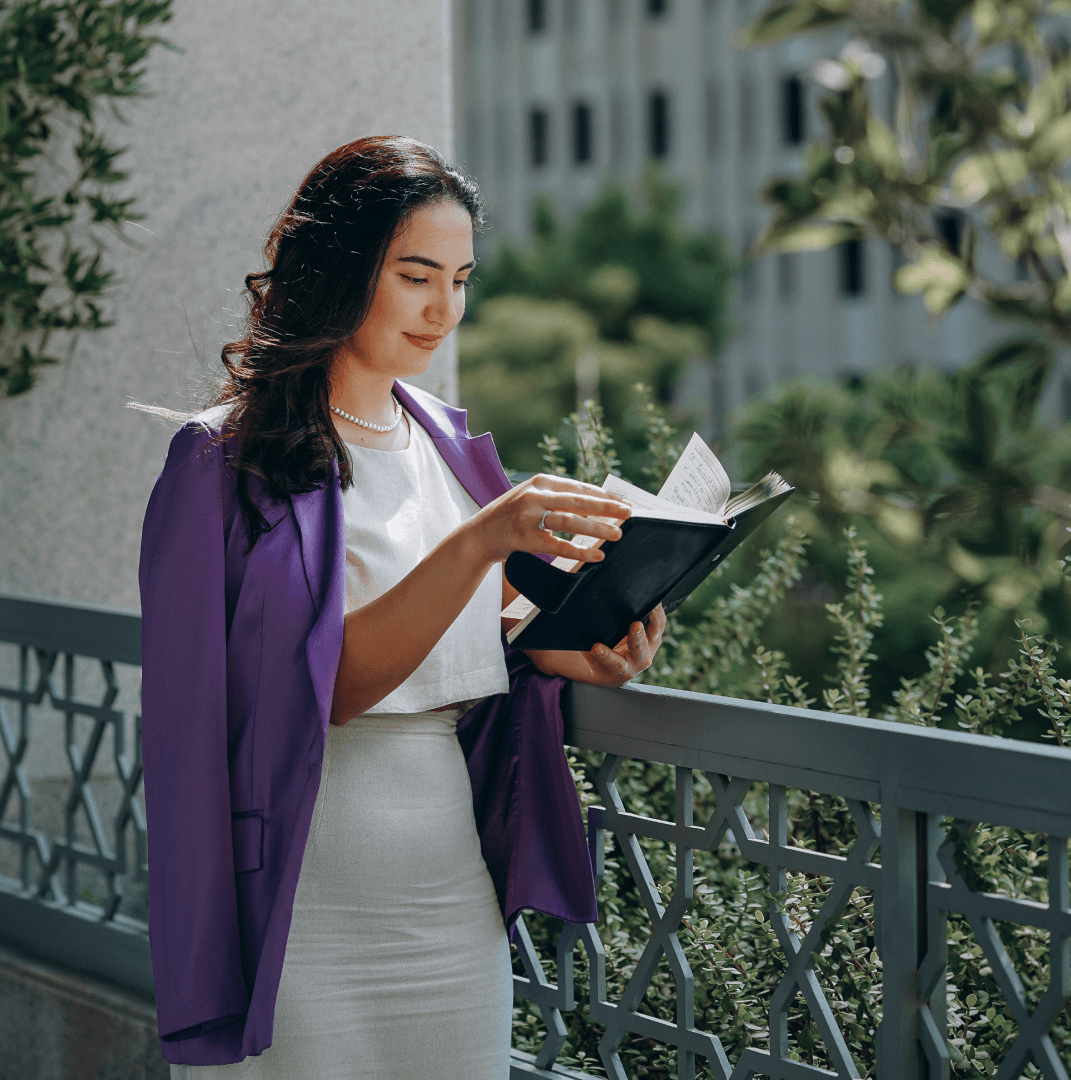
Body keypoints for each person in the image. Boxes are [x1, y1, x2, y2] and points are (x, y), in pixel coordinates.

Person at [139, 135, 666, 1080]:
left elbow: (455, 642)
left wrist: (555, 651)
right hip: (299, 900)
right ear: (343, 271)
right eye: (417, 275)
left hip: (447, 894)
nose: (444, 310)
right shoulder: (219, 461)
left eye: (462, 279)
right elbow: (324, 684)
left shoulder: (449, 447)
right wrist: (482, 541)